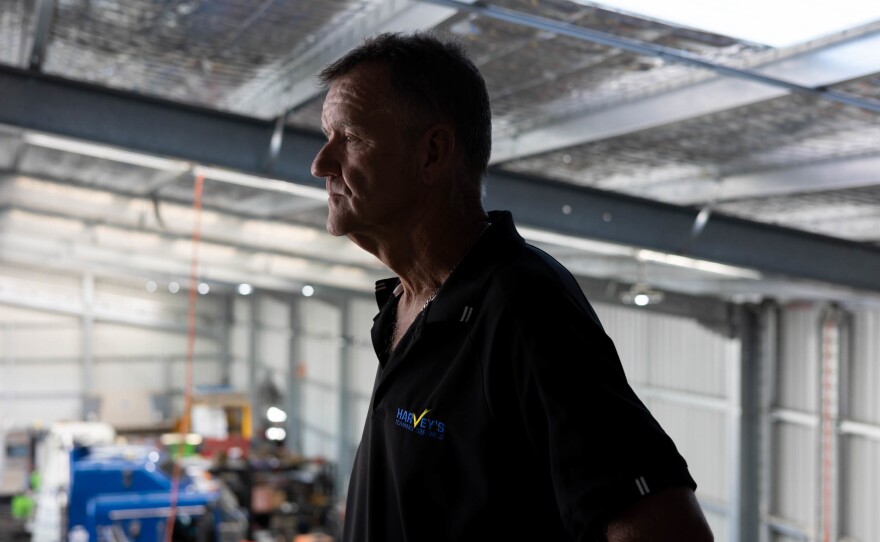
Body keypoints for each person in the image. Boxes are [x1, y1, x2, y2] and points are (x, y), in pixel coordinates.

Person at [310, 31, 714, 542]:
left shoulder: (523, 306)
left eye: (350, 138)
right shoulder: (404, 303)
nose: (321, 164)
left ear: (432, 152)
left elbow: (666, 530)